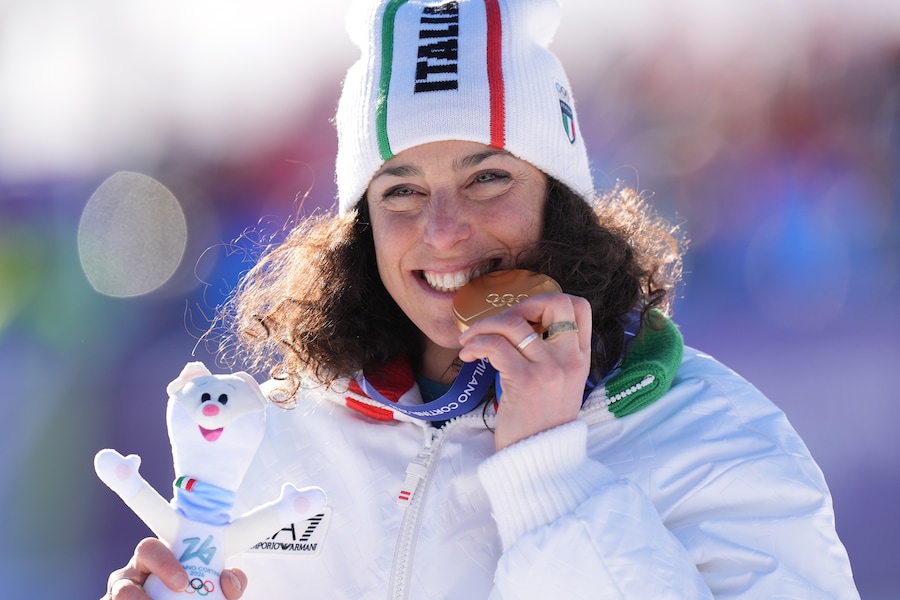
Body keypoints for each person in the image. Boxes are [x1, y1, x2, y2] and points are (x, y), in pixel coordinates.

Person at [104, 0, 860, 598]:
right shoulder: (275, 435)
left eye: (487, 178)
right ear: (362, 228)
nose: (442, 232)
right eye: (400, 191)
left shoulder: (713, 437)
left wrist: (549, 479)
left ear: (560, 199)